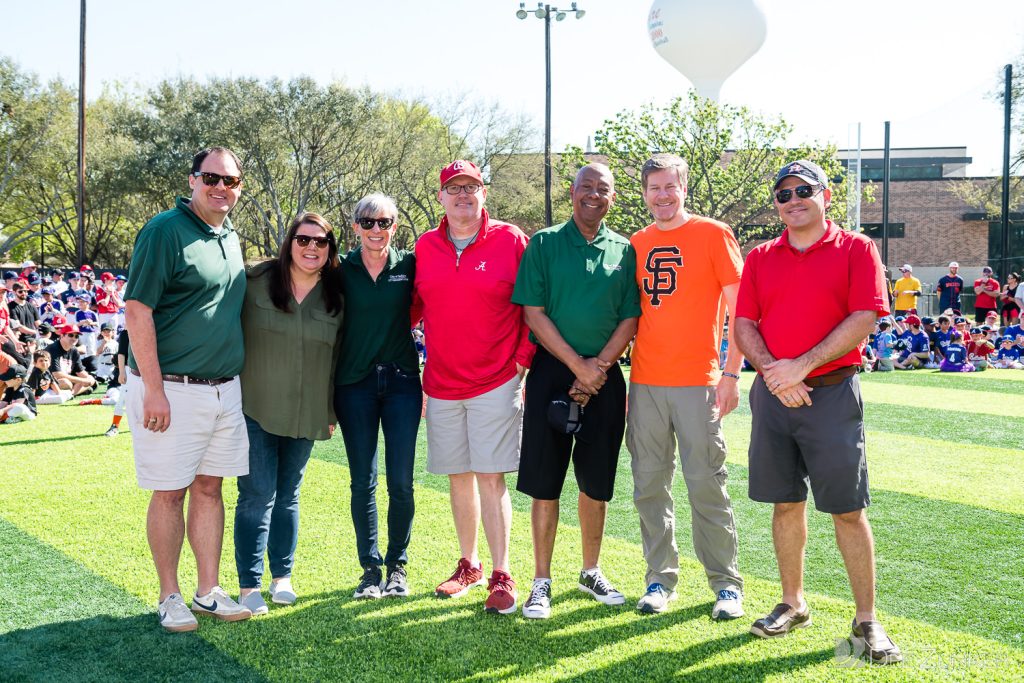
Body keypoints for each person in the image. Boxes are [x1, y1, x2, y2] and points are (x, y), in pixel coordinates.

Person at [733, 159, 901, 664]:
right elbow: (743, 324)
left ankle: (867, 620)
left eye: (803, 190)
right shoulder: (761, 255)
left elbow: (866, 316)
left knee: (848, 509)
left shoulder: (856, 247)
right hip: (774, 394)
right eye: (783, 195)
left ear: (825, 194)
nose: (793, 200)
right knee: (785, 503)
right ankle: (792, 602)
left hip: (830, 392)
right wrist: (772, 372)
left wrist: (799, 368)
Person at [124, 146, 252, 632]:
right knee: (169, 493)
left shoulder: (230, 234)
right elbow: (138, 310)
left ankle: (207, 590)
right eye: (212, 178)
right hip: (172, 388)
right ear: (194, 179)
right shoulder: (164, 231)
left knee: (210, 488)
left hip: (224, 389)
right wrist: (153, 389)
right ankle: (169, 595)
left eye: (232, 181)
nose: (222, 187)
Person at [512, 163, 640, 619]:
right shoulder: (544, 243)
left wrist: (598, 368)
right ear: (572, 193)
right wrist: (576, 366)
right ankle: (541, 580)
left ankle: (590, 570)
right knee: (545, 482)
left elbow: (630, 317)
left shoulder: (625, 250)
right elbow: (533, 312)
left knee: (596, 483)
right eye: (586, 186)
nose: (594, 195)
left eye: (602, 189)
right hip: (553, 372)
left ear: (611, 198)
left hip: (605, 377)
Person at [625, 153, 745, 618]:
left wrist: (731, 373)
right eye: (654, 188)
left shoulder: (714, 234)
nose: (662, 195)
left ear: (684, 187)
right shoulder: (636, 242)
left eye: (670, 186)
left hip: (700, 382)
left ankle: (726, 584)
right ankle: (659, 579)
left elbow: (742, 309)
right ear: (644, 193)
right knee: (649, 485)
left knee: (706, 484)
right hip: (646, 384)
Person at [413, 161, 534, 615]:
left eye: (471, 188)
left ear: (484, 194)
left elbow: (532, 305)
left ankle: (502, 573)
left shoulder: (511, 239)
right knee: (458, 476)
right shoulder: (426, 245)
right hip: (442, 382)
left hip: (496, 380)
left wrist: (522, 364)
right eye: (453, 189)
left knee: (490, 476)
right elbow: (412, 307)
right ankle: (469, 564)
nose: (463, 196)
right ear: (441, 197)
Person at [235, 212, 344, 616]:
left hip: (307, 411)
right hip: (255, 407)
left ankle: (282, 577)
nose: (311, 247)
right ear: (289, 242)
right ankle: (249, 585)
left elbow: (337, 361)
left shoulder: (337, 296)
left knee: (288, 497)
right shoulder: (253, 281)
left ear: (331, 249)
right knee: (256, 495)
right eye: (303, 239)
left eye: (321, 242)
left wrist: (330, 409)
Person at [336, 194, 421, 601]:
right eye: (367, 222)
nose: (375, 230)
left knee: (401, 482)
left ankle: (398, 565)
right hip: (355, 384)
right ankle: (370, 568)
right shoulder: (339, 268)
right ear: (354, 226)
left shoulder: (410, 264)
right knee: (362, 482)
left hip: (403, 383)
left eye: (384, 222)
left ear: (395, 226)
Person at [46, 324, 98, 396]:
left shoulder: (74, 350)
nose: (74, 338)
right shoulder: (53, 349)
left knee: (90, 379)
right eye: (71, 335)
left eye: (76, 336)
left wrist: (88, 379)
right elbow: (57, 374)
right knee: (66, 383)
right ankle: (76, 392)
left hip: (66, 379)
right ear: (62, 336)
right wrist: (82, 380)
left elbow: (80, 371)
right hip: (48, 380)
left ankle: (72, 394)